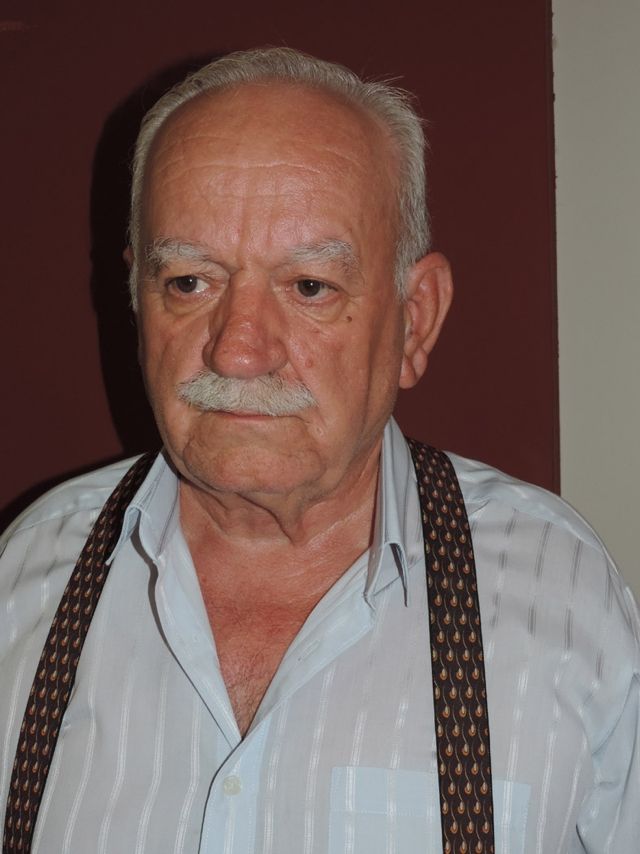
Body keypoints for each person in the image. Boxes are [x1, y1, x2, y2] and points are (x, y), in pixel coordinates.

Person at [0, 47, 638, 854]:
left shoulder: (563, 600)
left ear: (416, 318)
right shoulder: (27, 581)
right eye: (190, 281)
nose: (238, 351)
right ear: (137, 298)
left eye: (309, 287)